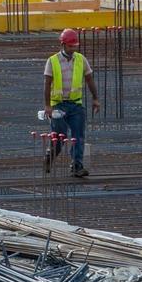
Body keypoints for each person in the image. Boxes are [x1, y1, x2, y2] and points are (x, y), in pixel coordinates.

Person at [42, 28, 101, 178]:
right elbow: (47, 84)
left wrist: (95, 98)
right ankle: (50, 156)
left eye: (75, 46)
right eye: (70, 46)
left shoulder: (81, 59)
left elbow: (89, 79)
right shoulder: (52, 61)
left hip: (75, 105)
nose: (73, 49)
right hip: (58, 105)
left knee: (78, 136)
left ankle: (77, 166)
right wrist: (48, 105)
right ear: (63, 44)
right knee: (59, 136)